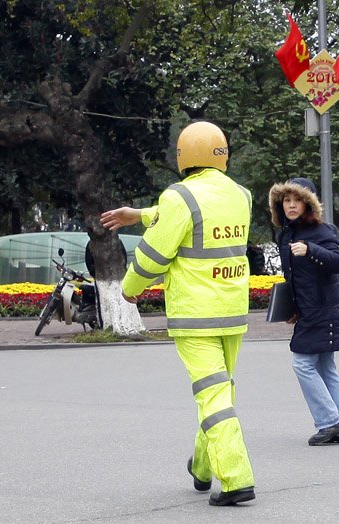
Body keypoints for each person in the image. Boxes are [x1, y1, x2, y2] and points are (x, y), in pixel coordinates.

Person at [100, 121, 255, 507]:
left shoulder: (179, 197)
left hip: (195, 315)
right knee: (218, 389)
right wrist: (142, 214)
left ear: (183, 156)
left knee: (214, 394)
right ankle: (203, 468)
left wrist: (131, 289)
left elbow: (156, 252)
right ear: (223, 154)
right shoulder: (241, 195)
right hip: (232, 309)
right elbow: (194, 214)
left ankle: (236, 478)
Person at [269, 177, 339, 446]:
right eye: (286, 201)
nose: (291, 205)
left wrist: (311, 250)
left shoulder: (322, 231)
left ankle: (330, 422)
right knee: (326, 367)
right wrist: (292, 307)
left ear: (309, 204)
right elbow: (293, 276)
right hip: (309, 311)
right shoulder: (287, 234)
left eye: (297, 200)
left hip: (324, 310)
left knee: (302, 364)